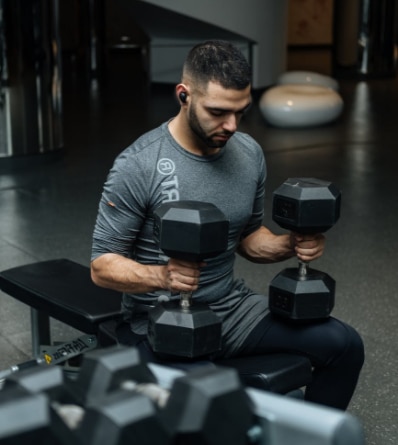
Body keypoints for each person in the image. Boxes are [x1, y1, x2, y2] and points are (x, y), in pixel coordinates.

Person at [91, 40, 364, 410]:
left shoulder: (249, 153)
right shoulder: (139, 165)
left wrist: (290, 244)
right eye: (218, 112)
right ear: (183, 95)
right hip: (160, 319)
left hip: (231, 308)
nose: (231, 126)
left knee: (344, 345)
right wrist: (163, 276)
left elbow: (249, 237)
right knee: (217, 405)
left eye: (241, 111)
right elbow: (101, 266)